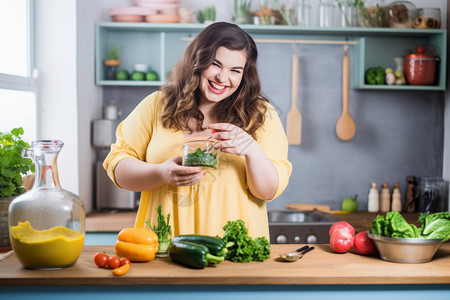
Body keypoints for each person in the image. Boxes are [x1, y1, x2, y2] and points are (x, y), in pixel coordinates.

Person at [103, 22, 292, 239]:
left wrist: (251, 150)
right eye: (215, 64)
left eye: (235, 70)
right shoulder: (157, 105)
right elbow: (117, 166)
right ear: (197, 61)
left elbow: (268, 191)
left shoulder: (260, 114)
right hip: (163, 247)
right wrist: (161, 173)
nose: (223, 77)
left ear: (244, 75)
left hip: (233, 253)